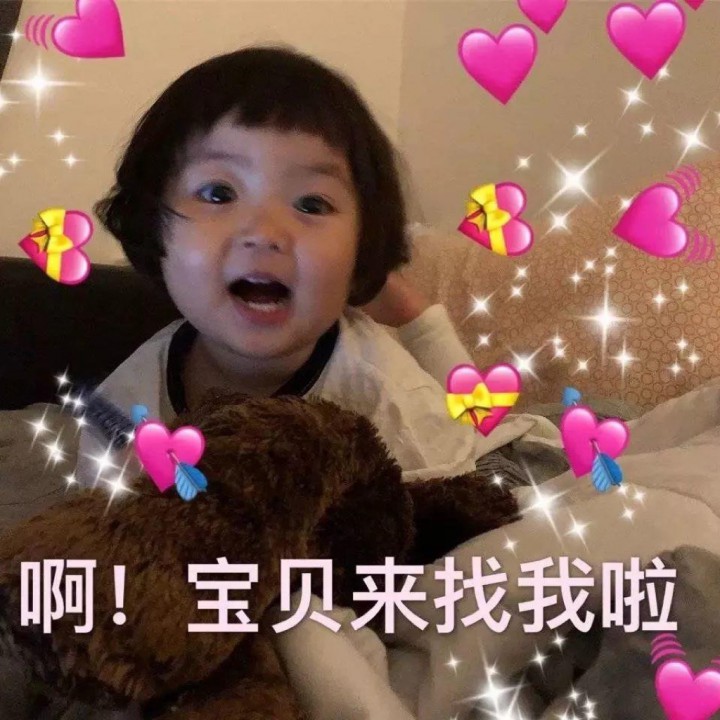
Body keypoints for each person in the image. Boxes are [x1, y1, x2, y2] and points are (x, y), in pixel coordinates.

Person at [75, 45, 539, 488]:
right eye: (218, 194)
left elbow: (459, 491)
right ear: (154, 228)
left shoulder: (392, 400)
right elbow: (94, 523)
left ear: (362, 245)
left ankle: (411, 311)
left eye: (312, 204)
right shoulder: (126, 402)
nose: (265, 232)